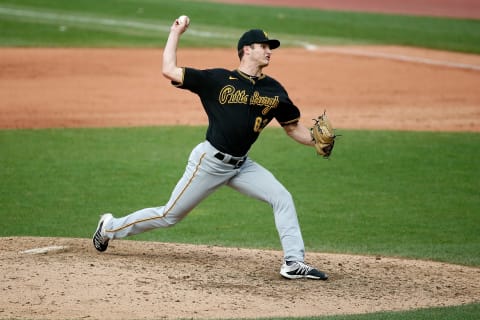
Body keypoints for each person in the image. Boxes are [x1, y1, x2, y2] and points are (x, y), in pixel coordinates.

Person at [93, 16, 329, 280]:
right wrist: (175, 32)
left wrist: (316, 141)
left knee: (282, 198)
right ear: (246, 49)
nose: (269, 50)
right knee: (170, 215)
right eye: (263, 45)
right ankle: (109, 227)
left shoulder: (274, 90)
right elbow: (169, 70)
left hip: (242, 166)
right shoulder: (218, 80)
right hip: (209, 163)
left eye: (269, 47)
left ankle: (293, 262)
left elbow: (292, 127)